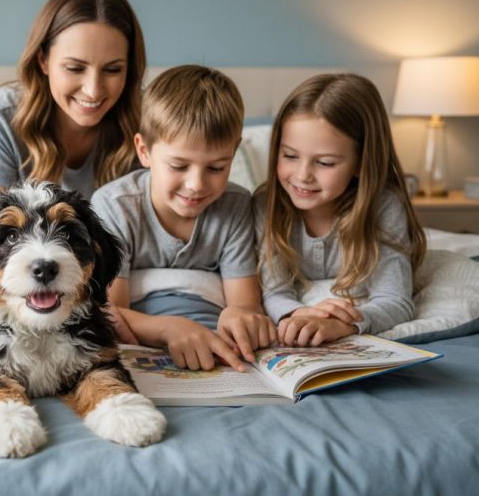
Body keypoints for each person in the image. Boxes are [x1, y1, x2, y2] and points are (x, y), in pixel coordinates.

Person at [91, 65, 276, 372]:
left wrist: (240, 316)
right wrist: (169, 328)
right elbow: (110, 312)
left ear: (233, 154)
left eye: (216, 168)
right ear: (144, 151)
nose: (196, 185)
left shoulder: (236, 206)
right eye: (178, 166)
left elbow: (244, 303)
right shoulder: (115, 206)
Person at [254, 73, 427, 347]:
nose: (302, 175)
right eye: (290, 156)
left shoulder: (383, 205)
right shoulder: (267, 204)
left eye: (325, 162)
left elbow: (396, 301)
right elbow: (275, 293)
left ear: (361, 162)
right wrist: (300, 315)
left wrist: (342, 324)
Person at [0, 0, 145, 203]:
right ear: (43, 60)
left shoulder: (149, 119)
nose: (93, 90)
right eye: (75, 68)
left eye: (113, 69)